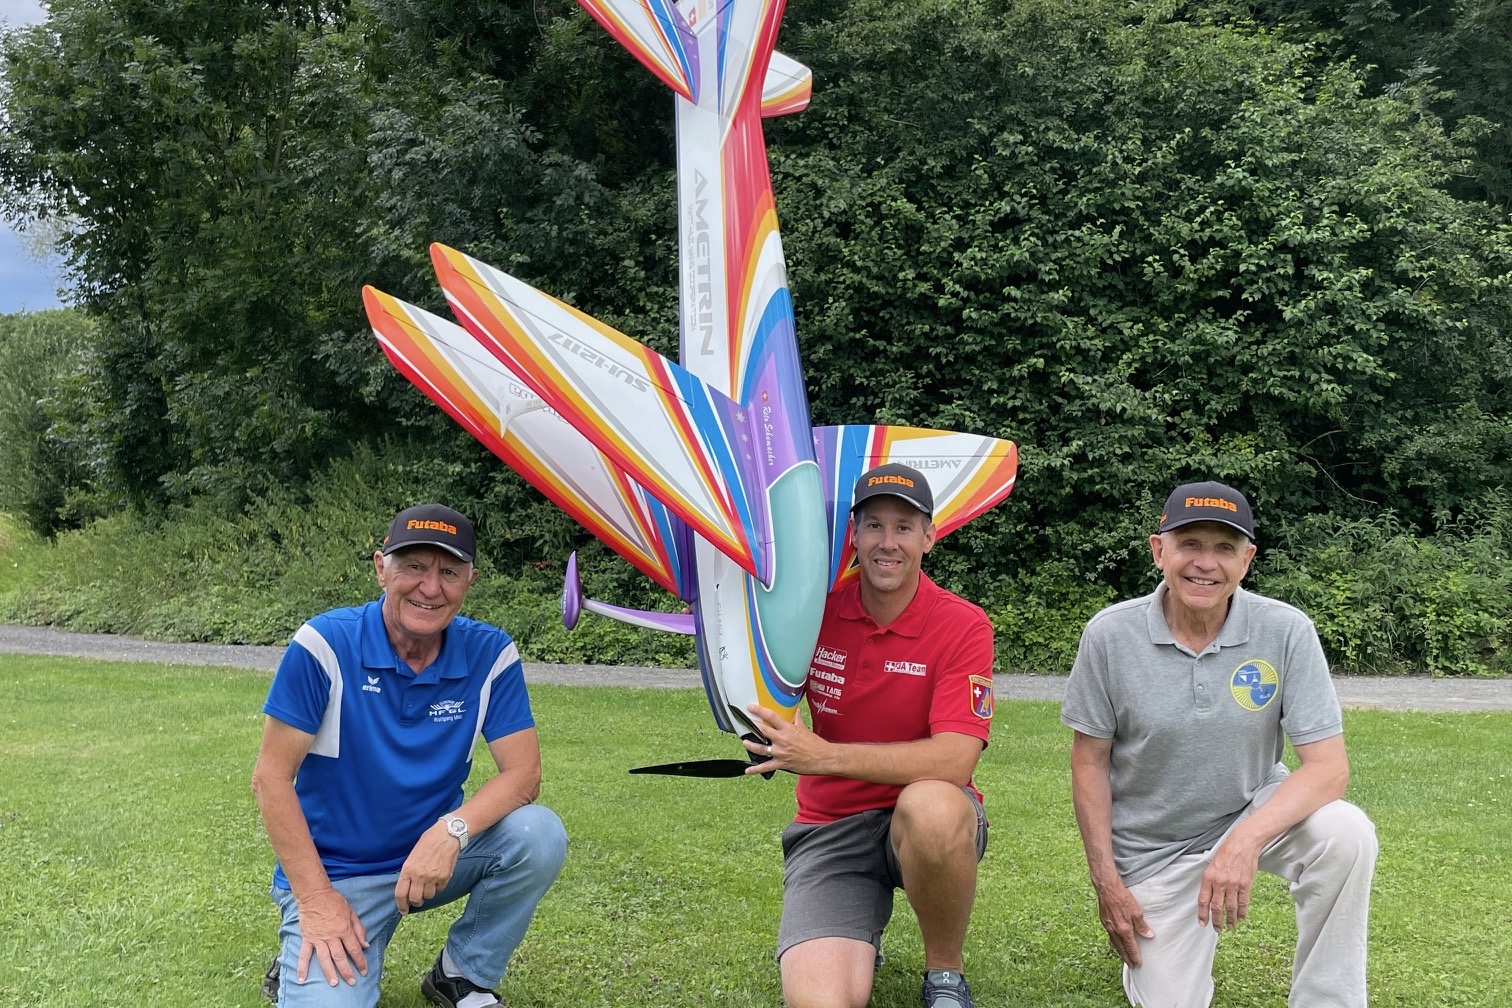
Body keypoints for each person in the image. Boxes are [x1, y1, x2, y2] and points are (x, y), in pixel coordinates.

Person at [1061, 481, 1378, 1008]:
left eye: (1224, 548)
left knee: (1346, 834)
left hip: (1253, 810)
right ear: (1159, 550)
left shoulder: (1286, 630)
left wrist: (1243, 842)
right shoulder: (1109, 636)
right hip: (1155, 851)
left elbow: (1328, 767)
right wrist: (1108, 884)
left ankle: (1326, 1000)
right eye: (1189, 544)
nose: (1205, 563)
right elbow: (1088, 762)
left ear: (1246, 560)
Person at [251, 503, 568, 1008]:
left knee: (538, 833)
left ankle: (461, 976)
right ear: (381, 568)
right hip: (338, 875)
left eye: (449, 572)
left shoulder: (491, 653)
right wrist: (315, 901)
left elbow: (524, 774)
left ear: (470, 580)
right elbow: (271, 778)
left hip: (434, 860)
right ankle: (303, 942)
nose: (430, 587)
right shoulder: (324, 645)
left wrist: (451, 831)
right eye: (414, 566)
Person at [741, 463, 995, 1008]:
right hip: (831, 826)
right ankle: (856, 932)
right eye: (874, 525)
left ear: (929, 537)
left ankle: (944, 972)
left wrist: (824, 756)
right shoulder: (812, 609)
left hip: (926, 818)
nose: (888, 542)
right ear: (853, 534)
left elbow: (955, 760)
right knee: (819, 1002)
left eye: (904, 527)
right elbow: (761, 683)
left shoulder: (964, 624)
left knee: (932, 807)